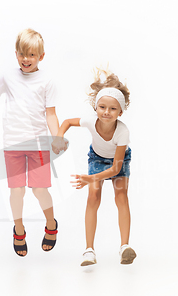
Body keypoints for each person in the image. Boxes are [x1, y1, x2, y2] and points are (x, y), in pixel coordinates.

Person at [0, 28, 59, 257]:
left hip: (38, 145)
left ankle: (51, 224)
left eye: (31, 55)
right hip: (13, 144)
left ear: (41, 56)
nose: (25, 59)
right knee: (17, 191)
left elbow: (50, 113)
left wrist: (57, 137)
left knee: (40, 189)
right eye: (22, 54)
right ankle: (19, 230)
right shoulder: (9, 76)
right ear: (16, 54)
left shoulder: (47, 81)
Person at [52, 68, 136, 266]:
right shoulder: (91, 121)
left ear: (121, 112)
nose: (106, 112)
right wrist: (59, 136)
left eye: (113, 109)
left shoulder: (122, 132)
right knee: (93, 197)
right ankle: (89, 250)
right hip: (97, 159)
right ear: (95, 107)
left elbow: (116, 169)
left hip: (119, 162)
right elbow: (66, 122)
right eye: (102, 107)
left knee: (121, 197)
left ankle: (125, 247)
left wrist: (90, 178)